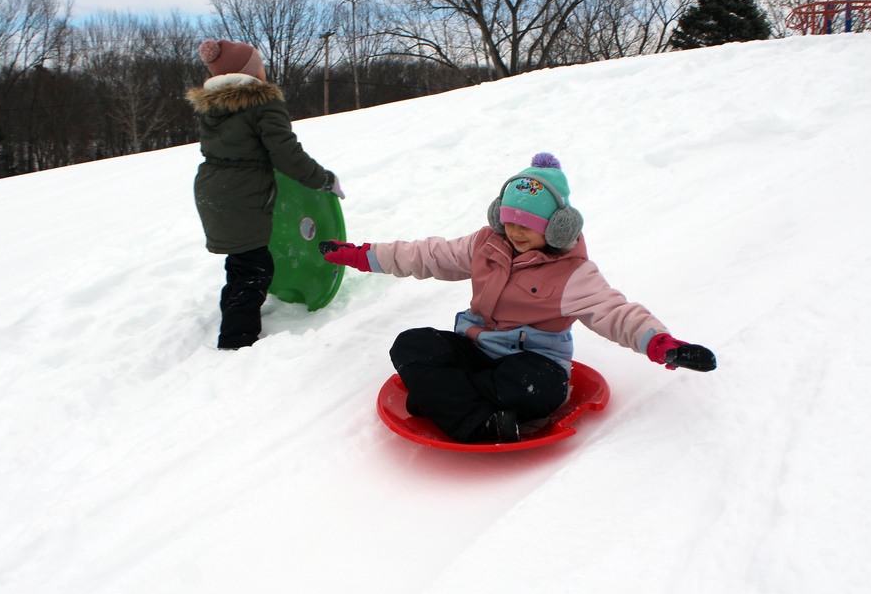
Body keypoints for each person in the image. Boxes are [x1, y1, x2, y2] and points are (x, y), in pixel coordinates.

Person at [320, 153, 715, 444]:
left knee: (537, 389)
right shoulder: (485, 244)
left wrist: (661, 343)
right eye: (508, 221)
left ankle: (453, 407)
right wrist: (361, 255)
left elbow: (616, 312)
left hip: (531, 364)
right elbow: (427, 254)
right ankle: (481, 417)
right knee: (411, 344)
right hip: (478, 350)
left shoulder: (573, 273)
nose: (516, 232)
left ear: (558, 227)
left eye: (528, 225)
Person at [187, 39, 345, 349]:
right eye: (259, 64)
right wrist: (323, 180)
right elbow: (286, 153)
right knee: (255, 268)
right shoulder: (261, 102)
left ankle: (232, 317)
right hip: (241, 192)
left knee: (241, 260)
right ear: (249, 72)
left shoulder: (214, 106)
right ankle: (237, 339)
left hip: (212, 187)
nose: (264, 69)